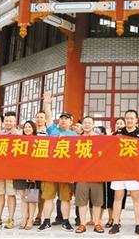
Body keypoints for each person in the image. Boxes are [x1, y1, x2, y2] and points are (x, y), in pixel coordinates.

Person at [39, 92, 76, 232]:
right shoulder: (52, 129)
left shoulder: (74, 136)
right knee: (48, 197)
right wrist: (47, 103)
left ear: (71, 122)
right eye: (61, 118)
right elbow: (48, 115)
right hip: (50, 170)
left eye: (66, 119)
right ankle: (46, 221)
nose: (63, 121)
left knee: (65, 198)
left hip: (66, 172)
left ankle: (65, 221)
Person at [109, 109, 139, 235]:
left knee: (136, 198)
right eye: (127, 118)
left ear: (136, 120)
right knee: (118, 196)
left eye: (131, 118)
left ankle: (138, 224)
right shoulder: (118, 132)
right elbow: (109, 148)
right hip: (119, 170)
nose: (129, 120)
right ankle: (115, 223)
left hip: (134, 172)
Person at [0, 111, 20, 229]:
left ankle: (10, 219)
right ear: (3, 122)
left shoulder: (19, 135)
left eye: (10, 121)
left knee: (11, 194)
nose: (8, 123)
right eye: (6, 120)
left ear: (15, 122)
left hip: (12, 170)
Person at [75, 116, 105, 234]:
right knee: (82, 201)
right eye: (85, 122)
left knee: (97, 201)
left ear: (93, 125)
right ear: (82, 125)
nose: (87, 125)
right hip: (81, 175)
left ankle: (97, 223)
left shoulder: (100, 139)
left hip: (96, 175)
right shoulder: (76, 139)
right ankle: (82, 224)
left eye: (89, 123)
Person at [9, 120, 40, 230]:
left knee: (31, 197)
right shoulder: (19, 141)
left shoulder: (38, 141)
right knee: (23, 197)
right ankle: (24, 218)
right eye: (25, 127)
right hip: (20, 173)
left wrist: (34, 173)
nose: (27, 129)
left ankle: (30, 219)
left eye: (30, 127)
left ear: (34, 129)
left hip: (33, 173)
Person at [105, 116, 127, 229]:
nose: (119, 125)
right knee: (110, 195)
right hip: (111, 171)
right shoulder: (111, 136)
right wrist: (108, 137)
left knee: (120, 197)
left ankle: (118, 218)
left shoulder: (128, 138)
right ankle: (110, 218)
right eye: (117, 123)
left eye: (121, 123)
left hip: (124, 172)